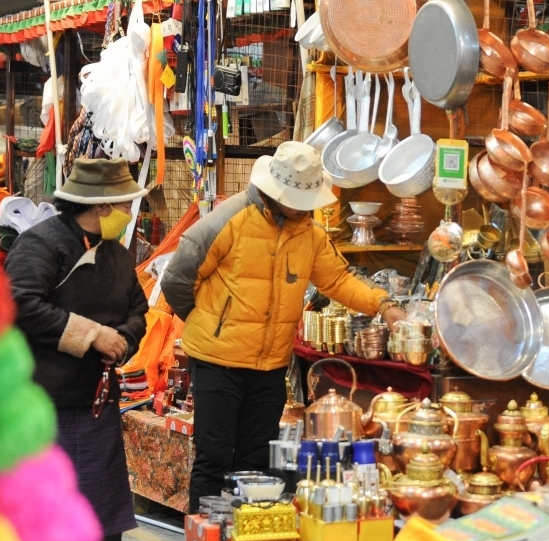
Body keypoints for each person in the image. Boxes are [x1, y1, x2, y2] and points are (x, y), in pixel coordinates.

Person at [161, 141, 406, 512]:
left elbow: (339, 280)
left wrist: (384, 305)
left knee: (256, 461)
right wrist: (209, 323)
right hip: (217, 362)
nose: (306, 208)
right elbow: (177, 280)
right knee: (213, 457)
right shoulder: (228, 220)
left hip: (270, 366)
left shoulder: (309, 233)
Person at [4, 158, 149, 541]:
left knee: (103, 523)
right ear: (102, 207)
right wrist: (90, 335)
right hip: (46, 406)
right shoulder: (41, 244)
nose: (126, 211)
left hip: (97, 406)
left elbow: (138, 310)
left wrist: (120, 342)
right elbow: (19, 304)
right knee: (53, 525)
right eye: (123, 203)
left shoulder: (117, 256)